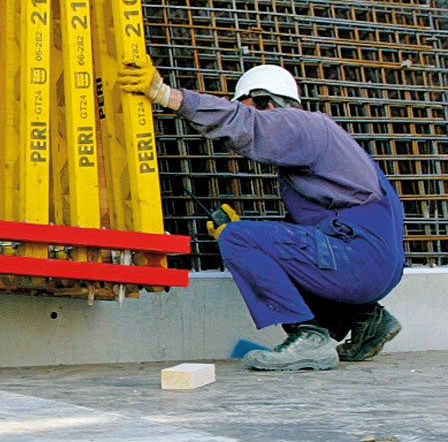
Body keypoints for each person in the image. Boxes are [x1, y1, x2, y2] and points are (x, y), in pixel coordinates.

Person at [118, 59, 405, 371]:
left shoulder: (302, 125)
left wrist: (168, 96)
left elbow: (247, 125)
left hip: (358, 259)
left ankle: (309, 338)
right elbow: (311, 242)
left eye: (248, 106)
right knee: (252, 240)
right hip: (375, 266)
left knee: (237, 239)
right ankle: (367, 318)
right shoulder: (328, 148)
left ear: (267, 102)